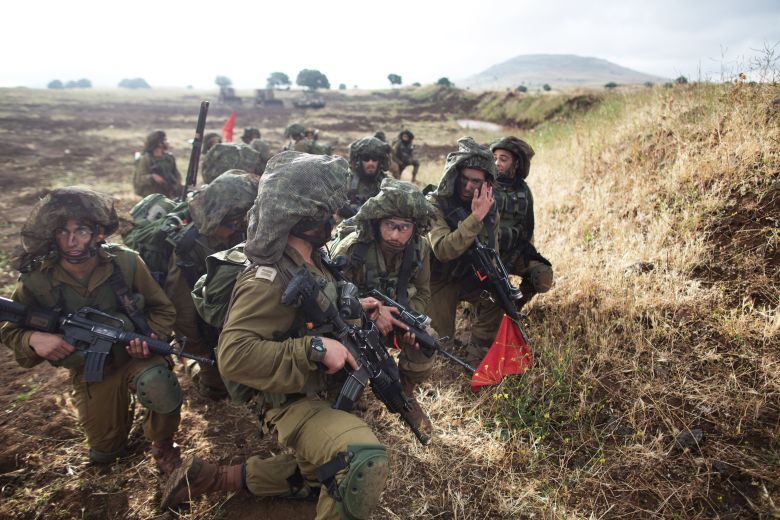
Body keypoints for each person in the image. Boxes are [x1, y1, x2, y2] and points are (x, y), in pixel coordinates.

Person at [161, 152, 391, 519]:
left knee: (321, 479)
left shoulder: (310, 259)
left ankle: (216, 478)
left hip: (314, 386)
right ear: (307, 219)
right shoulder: (266, 278)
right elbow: (234, 356)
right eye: (327, 211)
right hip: (289, 400)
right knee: (361, 459)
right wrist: (314, 349)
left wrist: (355, 311)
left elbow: (312, 313)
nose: (335, 217)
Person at [0, 187, 182, 473]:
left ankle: (162, 445)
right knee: (106, 454)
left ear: (98, 233)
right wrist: (34, 338)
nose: (71, 241)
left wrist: (152, 337)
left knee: (159, 383)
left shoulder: (126, 263)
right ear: (52, 234)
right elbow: (11, 330)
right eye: (62, 231)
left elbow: (163, 309)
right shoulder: (38, 278)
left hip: (136, 359)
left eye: (81, 230)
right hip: (91, 372)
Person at [330, 178, 437, 441]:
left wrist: (406, 319)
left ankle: (405, 394)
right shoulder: (353, 248)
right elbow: (330, 301)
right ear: (378, 222)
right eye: (390, 226)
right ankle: (342, 403)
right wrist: (369, 315)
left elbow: (423, 292)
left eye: (404, 227)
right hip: (349, 325)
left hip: (395, 318)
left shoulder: (420, 247)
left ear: (415, 227)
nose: (396, 236)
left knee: (426, 340)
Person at [163, 171, 259, 398]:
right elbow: (183, 310)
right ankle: (191, 366)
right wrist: (200, 353)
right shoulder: (189, 249)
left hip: (237, 316)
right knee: (218, 391)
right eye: (234, 223)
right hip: (205, 326)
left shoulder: (242, 233)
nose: (239, 227)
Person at [426, 137, 504, 364]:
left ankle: (476, 355)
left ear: (487, 183)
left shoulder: (489, 207)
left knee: (498, 297)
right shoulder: (435, 203)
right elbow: (443, 249)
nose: (469, 186)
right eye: (464, 179)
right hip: (437, 279)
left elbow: (493, 250)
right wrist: (475, 217)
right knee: (439, 348)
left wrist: (495, 280)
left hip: (468, 277)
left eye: (476, 181)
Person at [490, 137, 553, 309]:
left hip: (513, 252)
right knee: (490, 294)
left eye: (503, 159)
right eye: (494, 157)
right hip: (486, 254)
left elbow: (527, 228)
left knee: (543, 275)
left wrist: (527, 253)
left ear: (516, 163)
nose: (497, 163)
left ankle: (514, 307)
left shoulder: (523, 191)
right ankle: (476, 308)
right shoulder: (484, 185)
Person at [343, 136, 391, 217]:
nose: (370, 163)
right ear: (359, 161)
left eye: (375, 158)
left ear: (380, 161)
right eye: (366, 158)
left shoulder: (388, 184)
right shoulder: (347, 181)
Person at [133, 130, 182, 198]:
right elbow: (139, 179)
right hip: (152, 196)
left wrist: (176, 186)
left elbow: (177, 175)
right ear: (159, 143)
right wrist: (152, 177)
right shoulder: (145, 159)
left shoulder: (169, 158)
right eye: (164, 140)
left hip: (169, 194)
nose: (167, 142)